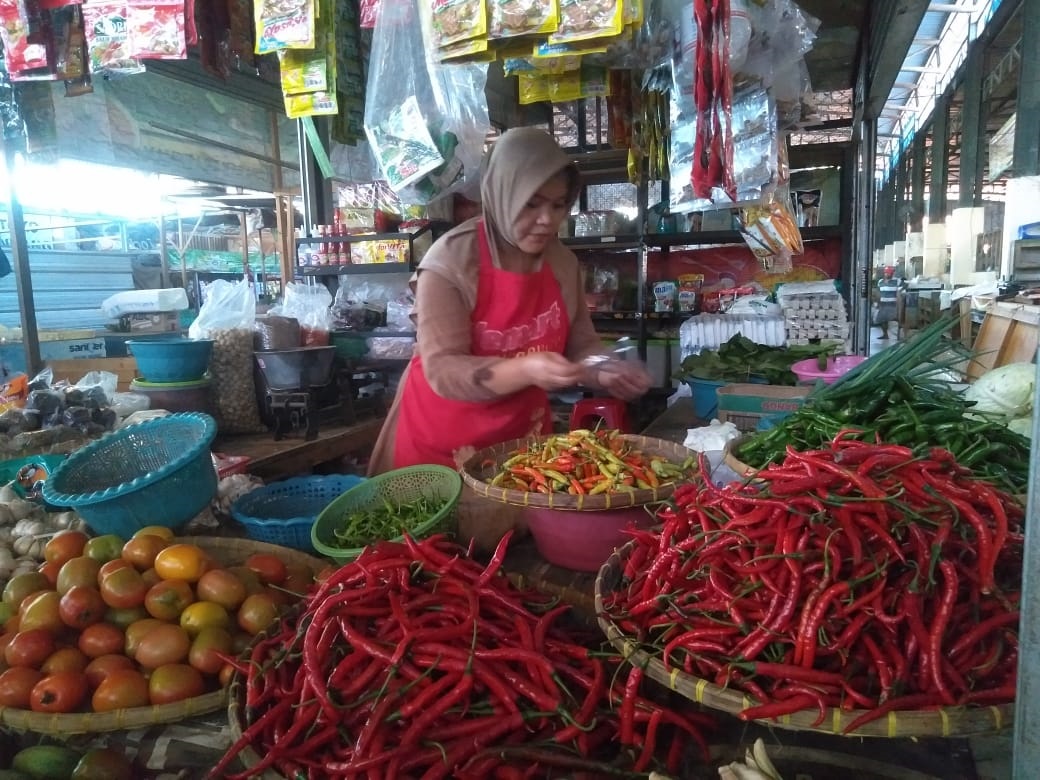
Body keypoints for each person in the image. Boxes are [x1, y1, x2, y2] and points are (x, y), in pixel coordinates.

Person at [367, 127, 653, 476]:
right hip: (439, 449)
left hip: (521, 451)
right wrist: (526, 369)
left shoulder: (561, 263)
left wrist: (604, 367)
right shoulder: (452, 262)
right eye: (531, 203)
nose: (547, 219)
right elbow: (443, 370)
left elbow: (582, 344)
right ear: (502, 193)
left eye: (558, 204)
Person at [873, 265, 901, 339]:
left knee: (896, 320)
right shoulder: (880, 282)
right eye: (887, 273)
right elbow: (878, 293)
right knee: (882, 320)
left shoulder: (897, 281)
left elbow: (899, 293)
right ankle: (885, 334)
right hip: (883, 304)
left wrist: (898, 305)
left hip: (893, 305)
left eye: (890, 273)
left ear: (892, 273)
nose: (888, 274)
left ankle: (899, 335)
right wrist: (877, 303)